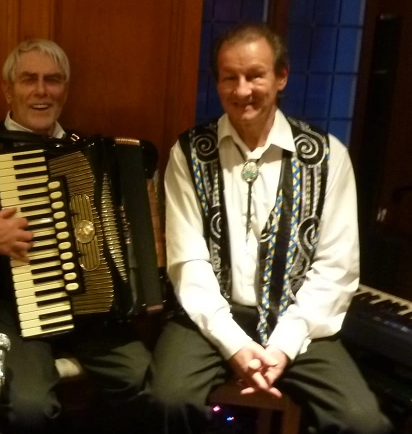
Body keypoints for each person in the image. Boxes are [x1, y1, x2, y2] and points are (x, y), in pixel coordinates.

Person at [153, 23, 392, 433]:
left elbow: (335, 268)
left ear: (281, 76)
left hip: (298, 320)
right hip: (207, 318)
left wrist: (283, 345)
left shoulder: (329, 156)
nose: (242, 90)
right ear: (217, 82)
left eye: (255, 75)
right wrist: (234, 344)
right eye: (230, 77)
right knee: (167, 400)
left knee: (362, 421)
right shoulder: (189, 153)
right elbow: (188, 262)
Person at [0, 38, 155, 434]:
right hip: (2, 306)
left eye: (53, 80)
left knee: (143, 381)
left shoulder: (88, 153)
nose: (41, 90)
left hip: (87, 306)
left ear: (65, 89)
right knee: (29, 406)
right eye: (28, 79)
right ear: (8, 89)